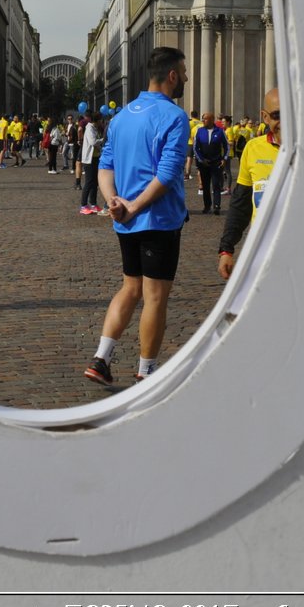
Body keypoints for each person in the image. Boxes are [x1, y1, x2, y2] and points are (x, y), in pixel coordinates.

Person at [84, 47, 190, 386]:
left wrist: (114, 202)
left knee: (130, 287)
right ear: (172, 75)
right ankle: (146, 372)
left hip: (125, 221)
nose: (186, 78)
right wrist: (134, 207)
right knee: (155, 297)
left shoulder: (122, 116)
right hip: (157, 220)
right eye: (184, 73)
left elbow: (105, 166)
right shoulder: (174, 116)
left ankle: (101, 358)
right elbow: (168, 173)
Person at [218, 88, 284, 280]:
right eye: (277, 115)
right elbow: (241, 203)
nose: (285, 121)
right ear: (265, 117)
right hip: (262, 250)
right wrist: (226, 250)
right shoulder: (253, 148)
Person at [192, 111, 229, 215]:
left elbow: (227, 146)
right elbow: (195, 147)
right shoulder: (199, 131)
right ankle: (207, 206)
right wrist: (201, 159)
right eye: (203, 118)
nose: (203, 120)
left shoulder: (220, 131)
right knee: (205, 185)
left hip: (216, 162)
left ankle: (217, 206)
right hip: (204, 163)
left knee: (216, 185)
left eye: (206, 118)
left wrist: (224, 159)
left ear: (212, 119)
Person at [78, 109, 104, 215]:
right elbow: (93, 142)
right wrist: (103, 140)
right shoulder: (89, 128)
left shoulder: (95, 128)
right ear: (97, 120)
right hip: (89, 159)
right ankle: (83, 205)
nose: (102, 122)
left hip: (95, 157)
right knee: (89, 182)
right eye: (101, 120)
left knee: (95, 182)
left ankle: (93, 203)